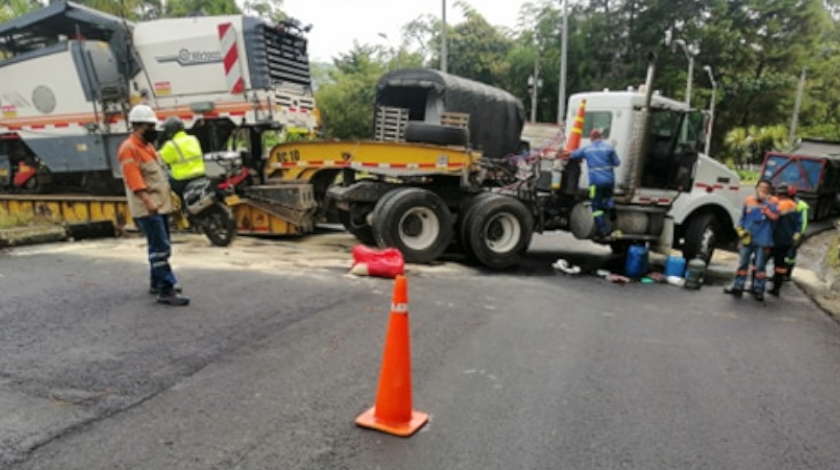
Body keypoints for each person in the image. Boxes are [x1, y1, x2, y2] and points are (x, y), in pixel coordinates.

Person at [119, 105, 190, 306]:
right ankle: (166, 289)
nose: (154, 130)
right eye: (150, 126)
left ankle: (157, 282)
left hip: (159, 204)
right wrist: (149, 202)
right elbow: (134, 180)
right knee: (160, 248)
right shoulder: (129, 149)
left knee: (157, 244)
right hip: (148, 207)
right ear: (138, 126)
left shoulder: (147, 147)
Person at [724, 180, 779, 301]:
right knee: (743, 264)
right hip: (747, 238)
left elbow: (775, 218)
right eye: (761, 187)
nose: (762, 190)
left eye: (766, 188)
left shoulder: (772, 203)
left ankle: (758, 290)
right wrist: (740, 232)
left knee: (760, 266)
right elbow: (742, 218)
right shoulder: (749, 200)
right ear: (756, 188)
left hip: (763, 240)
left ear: (769, 191)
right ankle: (738, 287)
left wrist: (766, 204)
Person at [570, 128, 621, 238]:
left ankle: (602, 231)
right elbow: (617, 163)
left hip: (595, 183)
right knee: (608, 197)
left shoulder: (587, 149)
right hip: (609, 181)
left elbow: (573, 155)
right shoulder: (609, 148)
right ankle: (610, 206)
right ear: (601, 137)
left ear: (591, 138)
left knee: (596, 207)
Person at [157, 117, 206, 201]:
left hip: (182, 179)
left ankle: (177, 208)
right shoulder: (193, 139)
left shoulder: (171, 145)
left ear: (170, 131)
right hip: (201, 174)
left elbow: (159, 159)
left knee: (163, 185)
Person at [768, 183, 801, 297]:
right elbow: (798, 224)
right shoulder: (795, 206)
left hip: (774, 239)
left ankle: (757, 287)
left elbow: (772, 223)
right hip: (787, 241)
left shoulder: (779, 205)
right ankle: (776, 289)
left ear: (779, 194)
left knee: (759, 263)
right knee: (780, 265)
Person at [785, 186, 809, 280]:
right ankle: (781, 274)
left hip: (794, 234)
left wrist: (799, 234)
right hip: (786, 232)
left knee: (790, 255)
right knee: (784, 254)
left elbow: (803, 222)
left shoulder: (801, 205)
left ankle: (787, 274)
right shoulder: (784, 202)